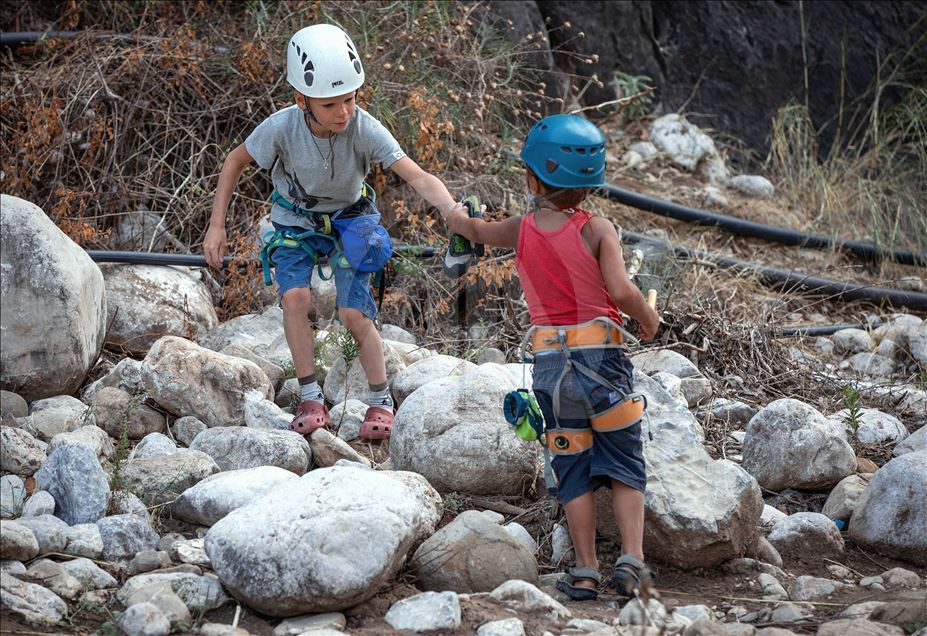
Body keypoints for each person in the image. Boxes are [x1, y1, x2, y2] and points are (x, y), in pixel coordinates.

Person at [204, 23, 465, 440]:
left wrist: (452, 210)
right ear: (301, 100)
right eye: (330, 104)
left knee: (353, 313)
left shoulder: (363, 127)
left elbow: (416, 175)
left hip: (351, 219)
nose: (344, 111)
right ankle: (310, 395)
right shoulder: (282, 127)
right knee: (295, 297)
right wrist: (216, 226)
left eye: (350, 98)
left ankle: (381, 401)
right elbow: (234, 161)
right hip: (295, 222)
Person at [446, 113, 660, 601]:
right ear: (590, 185)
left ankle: (584, 570)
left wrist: (457, 218)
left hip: (549, 370)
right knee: (625, 462)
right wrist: (649, 320)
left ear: (533, 176)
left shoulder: (520, 230)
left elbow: (474, 230)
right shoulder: (598, 229)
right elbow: (623, 292)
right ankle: (632, 562)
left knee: (572, 468)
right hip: (603, 362)